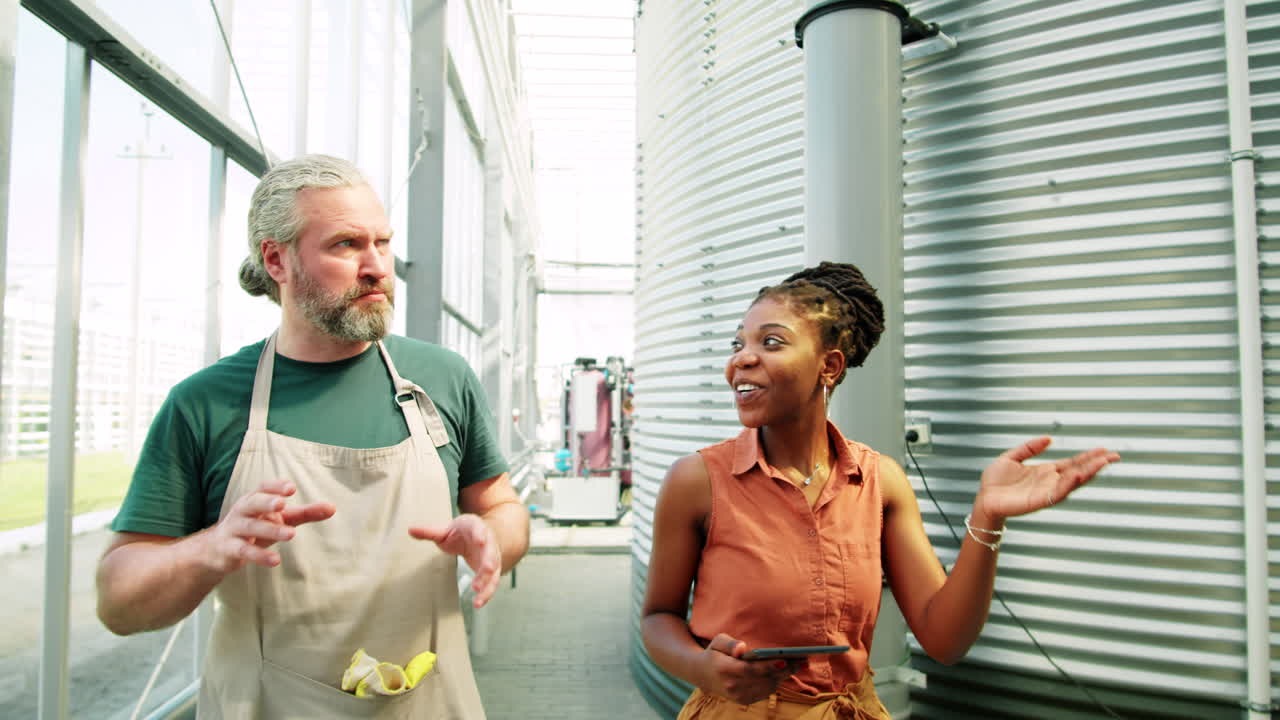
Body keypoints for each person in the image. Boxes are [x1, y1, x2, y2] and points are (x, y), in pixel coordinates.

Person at [95, 154, 529, 719]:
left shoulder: (443, 379)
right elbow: (118, 603)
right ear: (276, 259)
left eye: (382, 242)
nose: (376, 266)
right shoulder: (207, 403)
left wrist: (494, 537)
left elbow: (502, 505)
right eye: (346, 245)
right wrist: (209, 548)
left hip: (429, 703)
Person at [641, 261, 1119, 719]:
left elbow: (945, 639)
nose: (741, 359)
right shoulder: (697, 481)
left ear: (829, 366)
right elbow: (658, 617)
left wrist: (988, 516)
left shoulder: (880, 481)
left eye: (770, 342)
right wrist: (701, 667)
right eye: (737, 343)